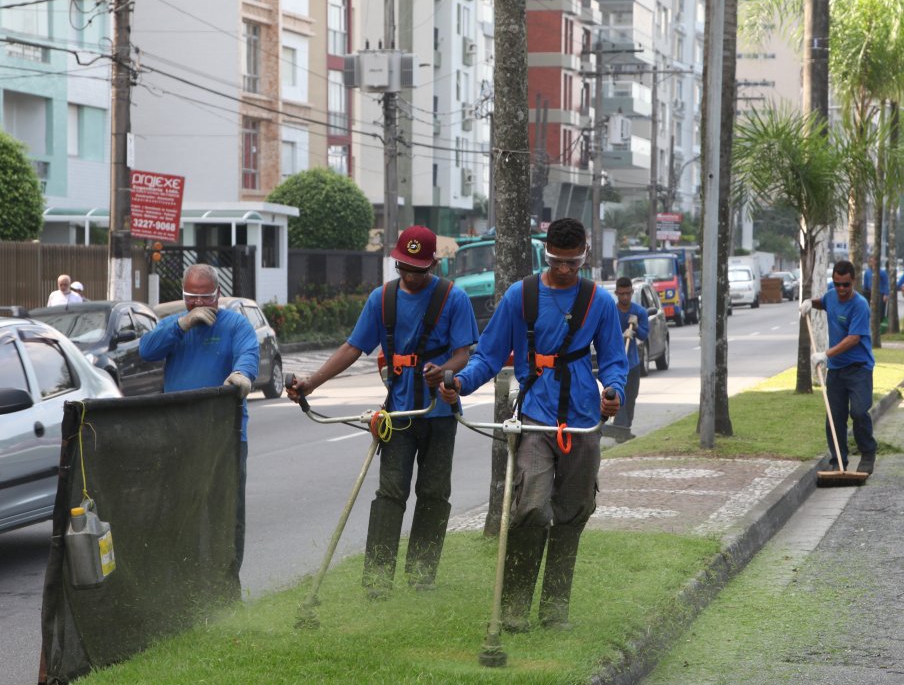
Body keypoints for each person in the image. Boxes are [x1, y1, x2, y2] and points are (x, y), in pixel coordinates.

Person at [440, 218, 627, 631]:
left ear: (585, 256)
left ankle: (554, 610)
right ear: (547, 255)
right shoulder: (519, 296)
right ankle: (513, 609)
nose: (564, 270)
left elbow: (614, 359)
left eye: (573, 263)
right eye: (558, 261)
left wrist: (613, 390)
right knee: (530, 509)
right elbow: (488, 356)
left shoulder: (599, 302)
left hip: (582, 421)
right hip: (534, 418)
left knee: (573, 512)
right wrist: (461, 385)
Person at [287, 226, 478, 597]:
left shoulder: (454, 298)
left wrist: (446, 371)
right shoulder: (382, 299)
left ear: (433, 265)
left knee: (434, 493)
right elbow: (352, 347)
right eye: (403, 267)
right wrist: (312, 383)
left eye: (418, 270)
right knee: (390, 493)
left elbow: (462, 353)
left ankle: (422, 576)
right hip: (398, 414)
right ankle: (377, 581)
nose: (410, 276)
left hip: (438, 412)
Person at [139, 264, 259, 575]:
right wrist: (183, 324)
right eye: (192, 297)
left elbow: (248, 354)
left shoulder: (235, 325)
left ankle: (226, 582)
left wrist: (242, 375)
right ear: (183, 297)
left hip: (227, 436)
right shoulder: (175, 326)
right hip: (180, 435)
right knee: (183, 510)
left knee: (226, 511)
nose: (200, 304)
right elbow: (146, 350)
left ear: (218, 294)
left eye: (206, 297)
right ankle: (187, 580)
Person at [801, 260, 877, 475]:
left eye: (845, 284)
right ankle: (838, 461)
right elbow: (823, 302)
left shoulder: (860, 304)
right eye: (837, 284)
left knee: (859, 412)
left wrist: (825, 354)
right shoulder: (832, 296)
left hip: (859, 367)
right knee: (834, 418)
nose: (841, 289)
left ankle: (868, 452)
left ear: (853, 280)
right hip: (836, 369)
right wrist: (810, 303)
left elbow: (853, 339)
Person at [607, 276, 648, 440]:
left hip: (632, 363)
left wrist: (636, 327)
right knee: (619, 396)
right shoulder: (612, 312)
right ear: (616, 293)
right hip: (616, 363)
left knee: (631, 397)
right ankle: (620, 431)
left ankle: (625, 428)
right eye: (622, 294)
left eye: (628, 293)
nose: (625, 297)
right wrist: (620, 335)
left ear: (632, 292)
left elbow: (644, 335)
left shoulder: (639, 312)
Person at [862, 256, 888, 327]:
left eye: (873, 261)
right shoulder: (867, 272)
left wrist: (886, 294)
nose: (872, 263)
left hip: (880, 293)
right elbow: (865, 285)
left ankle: (879, 324)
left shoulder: (882, 272)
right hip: (869, 293)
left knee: (880, 310)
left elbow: (886, 283)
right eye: (870, 262)